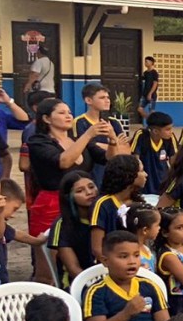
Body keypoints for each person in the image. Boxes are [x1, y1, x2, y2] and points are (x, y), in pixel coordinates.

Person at [26, 99, 118, 237]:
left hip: (83, 203)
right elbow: (63, 162)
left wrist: (112, 139)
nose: (69, 116)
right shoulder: (38, 141)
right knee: (50, 246)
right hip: (52, 203)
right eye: (62, 113)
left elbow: (109, 159)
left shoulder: (77, 139)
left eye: (69, 112)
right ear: (46, 118)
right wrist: (88, 134)